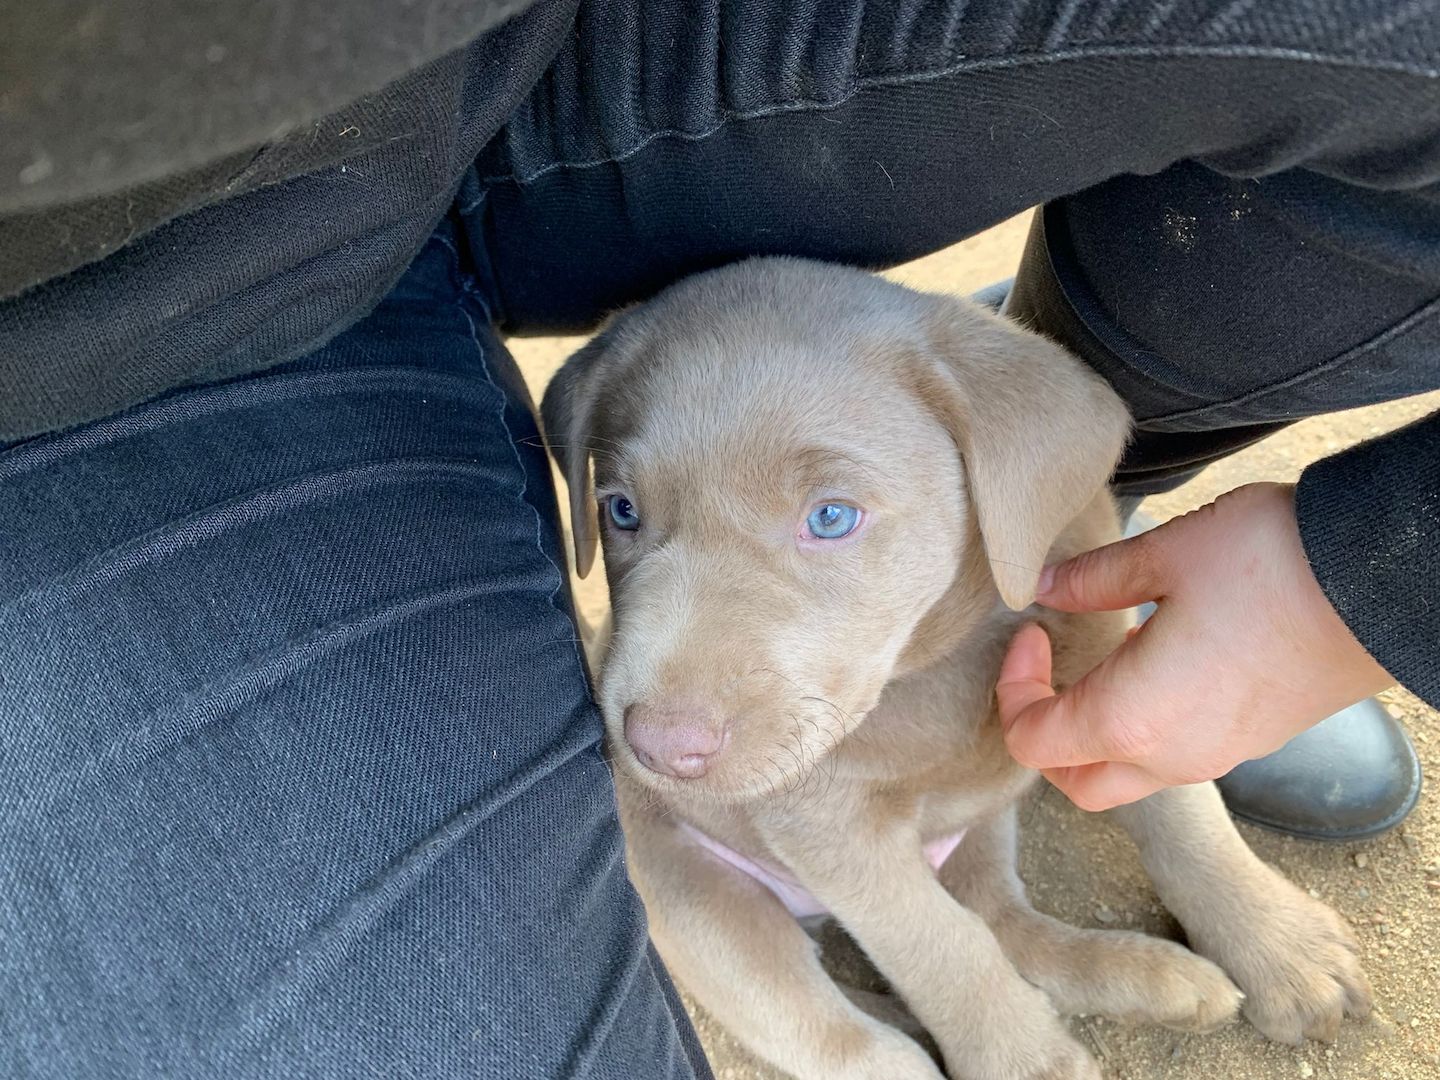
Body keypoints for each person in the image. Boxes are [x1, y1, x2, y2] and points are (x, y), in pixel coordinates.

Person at [1, 1, 1435, 1077]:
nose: (665, 704)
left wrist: (1363, 577)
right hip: (100, 289)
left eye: (829, 514)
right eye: (621, 516)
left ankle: (1155, 609)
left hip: (466, 50)